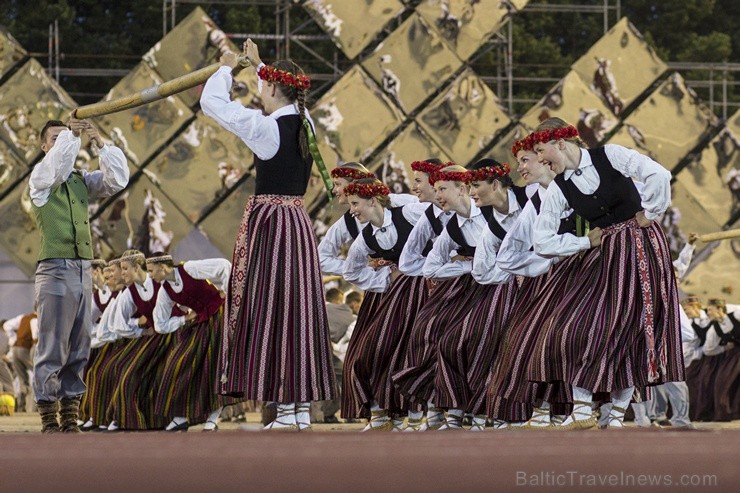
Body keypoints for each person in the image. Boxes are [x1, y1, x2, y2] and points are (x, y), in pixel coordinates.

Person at [201, 38, 335, 431]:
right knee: (297, 310)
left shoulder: (265, 129)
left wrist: (225, 68)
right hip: (297, 221)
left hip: (270, 225)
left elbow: (214, 105)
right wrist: (260, 68)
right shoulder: (304, 122)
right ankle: (298, 411)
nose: (260, 92)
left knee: (270, 310)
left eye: (264, 86)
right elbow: (284, 97)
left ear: (274, 88)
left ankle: (286, 407)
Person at [528, 117, 683, 429]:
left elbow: (658, 174)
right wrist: (584, 240)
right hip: (606, 252)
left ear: (561, 142)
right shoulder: (558, 187)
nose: (541, 159)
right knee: (577, 324)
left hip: (642, 246)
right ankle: (583, 409)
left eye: (543, 151)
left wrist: (650, 212)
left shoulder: (610, 155)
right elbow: (541, 240)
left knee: (635, 328)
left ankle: (613, 415)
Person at [29, 118, 128, 432]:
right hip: (55, 268)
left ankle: (70, 415)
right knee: (51, 345)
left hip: (84, 267)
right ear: (44, 146)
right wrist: (71, 137)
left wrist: (99, 142)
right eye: (55, 138)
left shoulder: (80, 180)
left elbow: (117, 180)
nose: (61, 142)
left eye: (65, 137)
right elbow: (57, 164)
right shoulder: (40, 178)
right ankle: (48, 417)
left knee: (79, 345)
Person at [434, 159, 523, 431]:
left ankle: (515, 411)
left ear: (495, 184)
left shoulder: (531, 198)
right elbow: (482, 270)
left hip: (538, 280)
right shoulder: (490, 221)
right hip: (501, 286)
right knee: (451, 340)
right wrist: (465, 263)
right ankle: (465, 410)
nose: (472, 191)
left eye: (474, 185)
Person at [341, 179, 428, 430]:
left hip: (424, 289)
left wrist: (434, 263)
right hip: (397, 292)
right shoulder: (366, 237)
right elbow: (351, 271)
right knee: (372, 350)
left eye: (356, 204)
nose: (353, 210)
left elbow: (441, 222)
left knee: (411, 351)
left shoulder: (409, 212)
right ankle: (383, 413)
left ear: (373, 201)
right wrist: (383, 278)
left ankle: (414, 415)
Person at [146, 252, 241, 432]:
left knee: (214, 367)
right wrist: (184, 319)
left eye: (151, 271)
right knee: (178, 365)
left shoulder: (189, 268)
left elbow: (223, 265)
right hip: (201, 323)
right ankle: (181, 417)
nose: (150, 275)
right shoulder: (165, 290)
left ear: (162, 266)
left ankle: (213, 419)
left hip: (219, 316)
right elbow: (160, 324)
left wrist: (228, 293)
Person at [316, 288, 356, 423]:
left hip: (313, 351)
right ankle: (348, 414)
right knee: (346, 378)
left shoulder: (317, 306)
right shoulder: (343, 312)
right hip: (327, 352)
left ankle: (317, 416)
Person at [4, 313, 37, 413]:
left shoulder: (23, 317)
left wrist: (13, 338)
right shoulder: (35, 319)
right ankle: (33, 408)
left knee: (22, 379)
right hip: (25, 350)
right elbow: (35, 336)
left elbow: (7, 325)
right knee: (38, 375)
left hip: (14, 349)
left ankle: (20, 407)